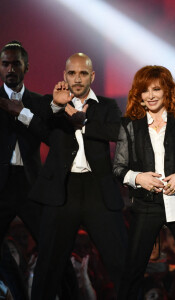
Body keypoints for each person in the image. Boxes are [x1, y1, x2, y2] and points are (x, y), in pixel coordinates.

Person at [29, 53, 128, 300]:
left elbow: (119, 132)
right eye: (72, 73)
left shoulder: (106, 105)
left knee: (121, 263)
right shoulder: (51, 103)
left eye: (83, 73)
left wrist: (83, 123)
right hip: (62, 192)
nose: (77, 78)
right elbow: (42, 124)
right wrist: (57, 105)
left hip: (98, 191)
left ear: (92, 76)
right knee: (48, 269)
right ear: (64, 75)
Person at [113, 65, 175, 299]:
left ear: (167, 91)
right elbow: (118, 168)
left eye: (156, 89)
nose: (151, 95)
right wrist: (138, 178)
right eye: (145, 90)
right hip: (146, 205)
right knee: (133, 272)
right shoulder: (130, 125)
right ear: (139, 95)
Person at [0, 41, 52, 300]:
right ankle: (20, 294)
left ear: (26, 67)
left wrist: (22, 114)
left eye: (16, 63)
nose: (10, 68)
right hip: (2, 186)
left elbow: (50, 137)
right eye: (5, 63)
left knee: (51, 248)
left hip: (31, 185)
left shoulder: (39, 102)